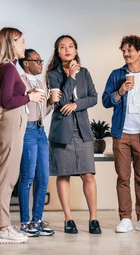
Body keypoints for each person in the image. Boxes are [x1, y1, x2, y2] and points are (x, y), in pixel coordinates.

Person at [102, 35, 140, 233]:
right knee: (122, 177)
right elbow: (105, 101)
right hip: (121, 134)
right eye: (124, 50)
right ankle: (126, 218)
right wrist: (120, 92)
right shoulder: (116, 75)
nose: (126, 53)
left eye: (130, 50)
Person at [0, 27, 46, 244]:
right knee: (7, 179)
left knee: (9, 178)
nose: (24, 45)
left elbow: (6, 100)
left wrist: (28, 97)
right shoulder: (10, 69)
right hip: (12, 124)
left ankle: (4, 226)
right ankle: (2, 229)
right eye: (21, 41)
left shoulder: (8, 68)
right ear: (11, 43)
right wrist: (29, 97)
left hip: (14, 123)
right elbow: (5, 101)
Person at [45, 35, 101, 234]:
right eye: (62, 47)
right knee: (64, 174)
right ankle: (69, 218)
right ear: (57, 52)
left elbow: (94, 97)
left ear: (76, 50)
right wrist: (71, 78)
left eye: (70, 46)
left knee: (88, 174)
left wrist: (77, 105)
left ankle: (93, 218)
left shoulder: (85, 73)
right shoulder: (53, 74)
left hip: (83, 130)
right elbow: (59, 102)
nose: (67, 50)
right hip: (62, 130)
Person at [16, 49, 60, 237]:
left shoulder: (40, 82)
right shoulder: (19, 81)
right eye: (37, 60)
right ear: (26, 63)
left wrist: (51, 102)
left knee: (43, 178)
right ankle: (25, 223)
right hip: (27, 131)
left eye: (41, 60)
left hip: (41, 131)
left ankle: (37, 220)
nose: (41, 63)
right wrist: (12, 122)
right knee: (27, 178)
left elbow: (41, 112)